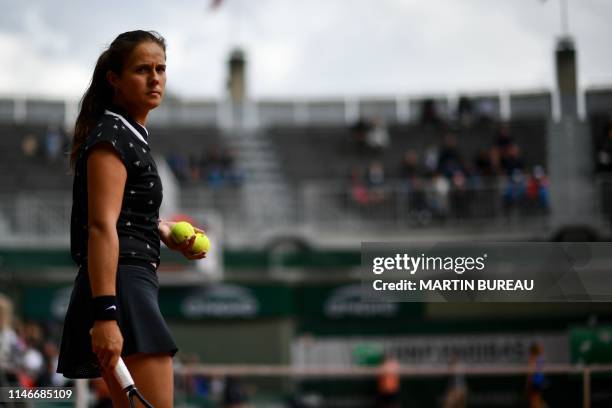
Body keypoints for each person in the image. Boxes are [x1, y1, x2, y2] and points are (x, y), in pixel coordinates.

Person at [56, 30, 206, 408]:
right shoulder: (112, 136)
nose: (155, 77)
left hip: (129, 281)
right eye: (142, 69)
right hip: (121, 286)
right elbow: (101, 226)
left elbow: (120, 213)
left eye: (160, 69)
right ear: (115, 79)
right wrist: (106, 314)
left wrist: (164, 231)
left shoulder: (129, 134)